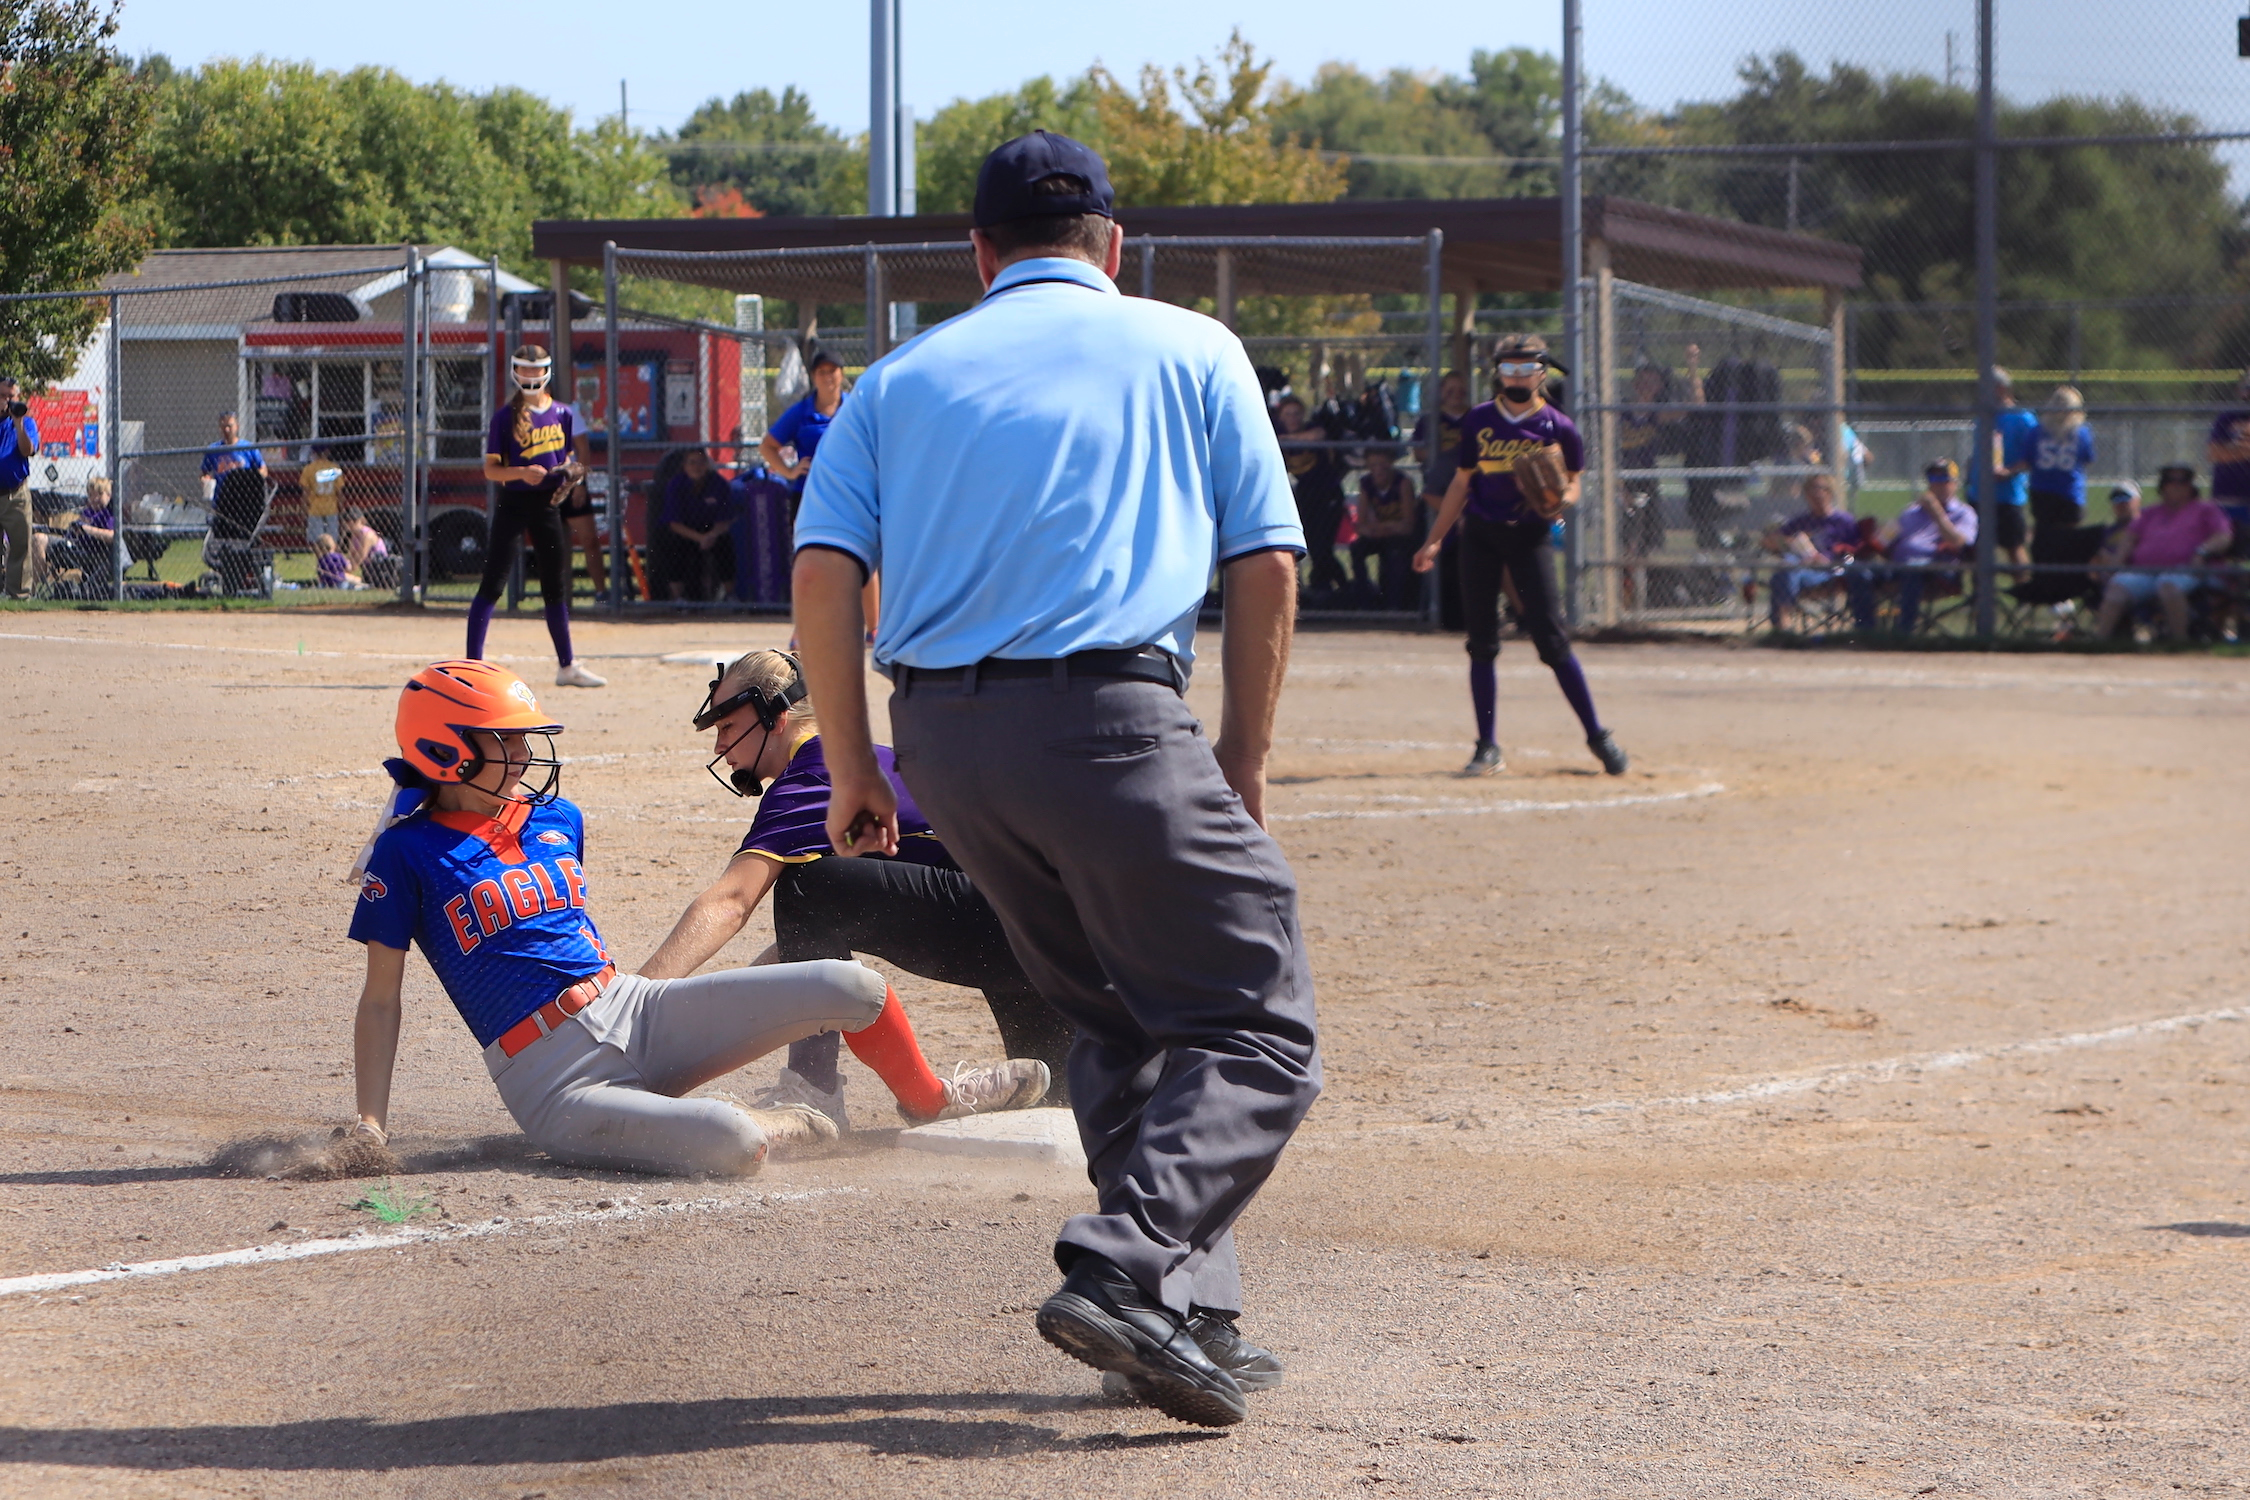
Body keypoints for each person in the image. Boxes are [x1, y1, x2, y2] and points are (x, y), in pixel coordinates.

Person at [792, 130, 1315, 1429]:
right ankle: (1125, 1269)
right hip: (1111, 721)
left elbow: (822, 573)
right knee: (1258, 1021)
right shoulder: (1191, 346)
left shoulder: (895, 379)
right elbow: (1264, 561)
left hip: (946, 746)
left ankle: (1185, 1317)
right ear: (1112, 245)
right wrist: (1242, 759)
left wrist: (855, 767)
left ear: (979, 254)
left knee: (1116, 1023)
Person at [347, 660, 896, 1174]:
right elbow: (379, 998)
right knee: (735, 1140)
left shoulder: (558, 817)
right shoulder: (405, 851)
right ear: (446, 749)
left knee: (854, 987)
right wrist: (370, 1125)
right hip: (551, 1077)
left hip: (631, 1007)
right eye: (505, 739)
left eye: (523, 737)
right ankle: (784, 1122)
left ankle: (927, 1099)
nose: (524, 752)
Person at [636, 648, 1067, 1127]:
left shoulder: (812, 777)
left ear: (776, 718)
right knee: (1062, 1105)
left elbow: (731, 903)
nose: (720, 746)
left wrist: (634, 999)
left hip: (1013, 924)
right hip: (1053, 933)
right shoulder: (866, 758)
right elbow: (806, 946)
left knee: (807, 886)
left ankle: (812, 1090)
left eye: (728, 726)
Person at [1412, 333, 1630, 779]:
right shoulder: (1479, 420)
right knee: (1481, 642)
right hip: (1481, 536)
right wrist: (1435, 539)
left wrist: (1561, 499)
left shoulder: (1558, 426)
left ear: (1542, 372)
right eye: (1508, 369)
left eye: (1526, 368)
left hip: (1530, 536)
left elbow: (1574, 481)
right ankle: (1487, 745)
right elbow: (1461, 482)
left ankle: (1597, 734)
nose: (1516, 377)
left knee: (1552, 640)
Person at [473, 345, 605, 689]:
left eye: (536, 369)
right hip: (514, 503)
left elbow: (568, 458)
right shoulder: (505, 417)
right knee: (493, 582)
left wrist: (572, 473)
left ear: (547, 371)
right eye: (524, 369)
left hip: (548, 505)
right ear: (515, 371)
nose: (530, 375)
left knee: (554, 586)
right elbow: (490, 469)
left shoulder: (563, 413)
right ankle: (472, 665)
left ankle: (567, 666)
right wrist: (520, 472)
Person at [762, 351, 877, 631]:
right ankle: (802, 631)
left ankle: (874, 628)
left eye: (833, 371)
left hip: (850, 493)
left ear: (842, 374)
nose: (828, 377)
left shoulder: (854, 408)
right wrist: (789, 471)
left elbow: (876, 444)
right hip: (810, 495)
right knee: (809, 562)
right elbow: (768, 446)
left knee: (864, 556)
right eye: (822, 372)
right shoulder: (801, 412)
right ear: (813, 377)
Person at [2091, 465, 2232, 642]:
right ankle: (2099, 642)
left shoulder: (2206, 509)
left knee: (2168, 584)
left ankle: (2179, 642)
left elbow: (2223, 537)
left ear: (2190, 486)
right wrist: (2117, 561)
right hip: (2147, 572)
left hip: (2188, 569)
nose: (2176, 486)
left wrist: (2202, 552)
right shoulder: (2150, 513)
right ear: (2162, 486)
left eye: (2182, 482)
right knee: (2118, 586)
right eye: (2170, 481)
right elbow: (2129, 538)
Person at [1846, 459, 1978, 634]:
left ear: (1955, 483)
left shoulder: (1964, 513)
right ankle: (1866, 630)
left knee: (1912, 569)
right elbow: (1885, 540)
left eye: (1944, 479)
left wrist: (1937, 514)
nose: (1938, 485)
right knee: (1859, 570)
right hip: (1899, 565)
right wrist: (1874, 536)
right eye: (1933, 480)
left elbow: (1959, 542)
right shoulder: (1912, 510)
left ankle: (1905, 632)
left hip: (1938, 569)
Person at [1412, 370, 1472, 630]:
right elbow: (1419, 453)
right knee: (1441, 553)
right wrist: (1442, 454)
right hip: (1439, 488)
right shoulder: (1431, 420)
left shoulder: (1475, 417)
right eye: (1450, 389)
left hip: (1470, 490)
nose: (1455, 394)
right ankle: (1440, 611)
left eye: (1461, 389)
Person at [1759, 473, 1857, 629]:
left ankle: (1782, 625)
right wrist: (1789, 543)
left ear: (1830, 492)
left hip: (1828, 572)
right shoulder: (1802, 521)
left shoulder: (1843, 521)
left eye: (1822, 489)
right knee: (1787, 569)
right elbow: (1768, 541)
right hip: (1801, 568)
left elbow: (1855, 551)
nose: (1817, 494)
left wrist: (1827, 560)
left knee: (1785, 574)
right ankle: (1784, 624)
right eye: (1812, 489)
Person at [1276, 395, 1348, 596]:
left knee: (1322, 546)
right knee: (1310, 544)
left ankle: (1346, 589)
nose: (1293, 418)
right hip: (1306, 494)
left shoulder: (1311, 428)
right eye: (1288, 414)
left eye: (1296, 414)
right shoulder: (1278, 433)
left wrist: (1287, 440)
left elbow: (1319, 434)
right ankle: (1326, 588)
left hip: (1328, 492)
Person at [650, 447, 739, 602]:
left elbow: (725, 519)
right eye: (692, 463)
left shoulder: (719, 483)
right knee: (673, 544)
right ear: (684, 466)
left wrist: (711, 535)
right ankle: (678, 598)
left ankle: (730, 595)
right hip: (685, 531)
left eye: (701, 462)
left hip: (711, 531)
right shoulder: (676, 484)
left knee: (725, 543)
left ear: (707, 465)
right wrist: (700, 538)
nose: (697, 467)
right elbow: (674, 523)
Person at [1979, 368, 2040, 573]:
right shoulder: (1984, 417)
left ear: (2001, 388)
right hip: (1979, 494)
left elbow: (2035, 456)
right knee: (1978, 551)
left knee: (2014, 548)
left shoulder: (2022, 418)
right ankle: (1982, 592)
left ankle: (2025, 588)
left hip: (2007, 496)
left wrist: (2009, 471)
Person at [1348, 444, 1419, 609]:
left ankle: (1394, 605)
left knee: (1395, 551)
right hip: (1380, 533)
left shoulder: (1402, 483)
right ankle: (1364, 598)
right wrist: (1372, 530)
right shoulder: (1366, 484)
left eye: (1383, 465)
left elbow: (1408, 524)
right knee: (1357, 548)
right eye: (1373, 465)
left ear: (1391, 463)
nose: (1378, 470)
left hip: (1399, 535)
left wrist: (1384, 527)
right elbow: (1360, 525)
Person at [2027, 386, 2095, 536]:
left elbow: (2029, 460)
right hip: (2069, 491)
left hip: (2042, 490)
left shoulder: (2037, 431)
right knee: (2069, 539)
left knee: (2045, 538)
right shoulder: (2082, 433)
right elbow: (2087, 459)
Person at [1, 376, 38, 600]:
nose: (7, 401)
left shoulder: (26, 424)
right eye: (2, 396)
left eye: (11, 396)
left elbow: (27, 450)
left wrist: (18, 423)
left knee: (20, 546)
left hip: (15, 494)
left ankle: (19, 596)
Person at [2203, 369, 2250, 511]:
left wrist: (2235, 451)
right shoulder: (2229, 417)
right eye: (2247, 388)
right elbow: (2214, 453)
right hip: (2227, 499)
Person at [200, 412, 267, 497]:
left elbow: (263, 469)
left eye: (229, 426)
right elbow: (204, 472)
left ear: (237, 427)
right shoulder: (213, 449)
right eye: (223, 426)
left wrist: (252, 480)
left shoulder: (248, 448)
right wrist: (205, 479)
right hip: (222, 496)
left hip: (245, 495)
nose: (226, 430)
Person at [298, 445, 344, 548]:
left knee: (316, 540)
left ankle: (320, 557)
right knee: (332, 539)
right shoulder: (334, 468)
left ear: (314, 453)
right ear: (327, 452)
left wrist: (304, 510)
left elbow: (305, 493)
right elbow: (339, 492)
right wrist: (341, 509)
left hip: (315, 508)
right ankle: (332, 555)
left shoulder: (309, 469)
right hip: (331, 507)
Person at [341, 510, 397, 590]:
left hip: (378, 567)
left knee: (347, 577)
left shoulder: (367, 535)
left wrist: (347, 570)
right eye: (348, 521)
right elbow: (352, 555)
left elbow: (361, 556)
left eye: (354, 521)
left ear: (361, 520)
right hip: (367, 568)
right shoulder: (354, 535)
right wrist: (344, 567)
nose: (351, 524)